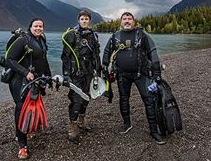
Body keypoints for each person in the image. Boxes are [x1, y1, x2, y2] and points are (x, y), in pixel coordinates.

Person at [102, 12, 167, 144]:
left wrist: (157, 75)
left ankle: (154, 131)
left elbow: (153, 53)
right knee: (124, 100)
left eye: (129, 19)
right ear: (120, 22)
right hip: (122, 75)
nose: (127, 21)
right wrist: (104, 69)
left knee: (149, 100)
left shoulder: (142, 35)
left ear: (134, 21)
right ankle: (127, 124)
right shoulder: (115, 36)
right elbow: (107, 52)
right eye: (124, 19)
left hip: (141, 74)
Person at [6, 18, 52, 159]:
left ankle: (25, 131)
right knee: (21, 110)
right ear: (30, 27)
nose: (38, 28)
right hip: (19, 81)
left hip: (35, 81)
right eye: (36, 26)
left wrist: (49, 78)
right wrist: (26, 73)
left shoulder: (41, 40)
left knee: (31, 109)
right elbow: (9, 59)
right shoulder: (23, 40)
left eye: (41, 26)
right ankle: (22, 146)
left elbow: (44, 60)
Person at [61, 10, 102, 143]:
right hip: (76, 73)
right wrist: (66, 75)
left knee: (86, 97)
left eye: (86, 19)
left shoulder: (93, 35)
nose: (84, 21)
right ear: (78, 20)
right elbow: (65, 57)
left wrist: (99, 71)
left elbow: (96, 54)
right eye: (82, 19)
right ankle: (72, 126)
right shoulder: (71, 35)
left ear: (89, 20)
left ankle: (81, 120)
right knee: (76, 99)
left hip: (89, 72)